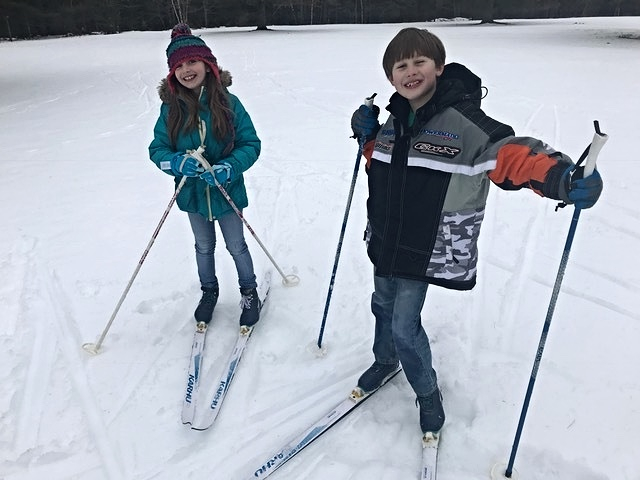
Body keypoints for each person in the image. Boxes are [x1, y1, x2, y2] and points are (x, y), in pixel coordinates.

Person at [350, 28, 603, 436]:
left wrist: (560, 175)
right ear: (390, 77)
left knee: (403, 323)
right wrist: (367, 134)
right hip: (385, 237)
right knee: (381, 304)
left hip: (426, 245)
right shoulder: (393, 122)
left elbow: (511, 154)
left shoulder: (463, 122)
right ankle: (385, 359)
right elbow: (379, 163)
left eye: (419, 63)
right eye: (401, 66)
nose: (410, 72)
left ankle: (427, 391)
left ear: (438, 68)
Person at [149, 23, 262, 327]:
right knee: (203, 246)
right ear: (173, 72)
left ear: (207, 64)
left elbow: (251, 144)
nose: (187, 70)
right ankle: (208, 290)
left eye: (192, 62)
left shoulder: (228, 102)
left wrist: (229, 167)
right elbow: (156, 150)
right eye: (180, 65)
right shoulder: (170, 109)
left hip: (227, 191)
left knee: (236, 245)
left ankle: (249, 290)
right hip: (193, 195)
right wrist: (175, 163)